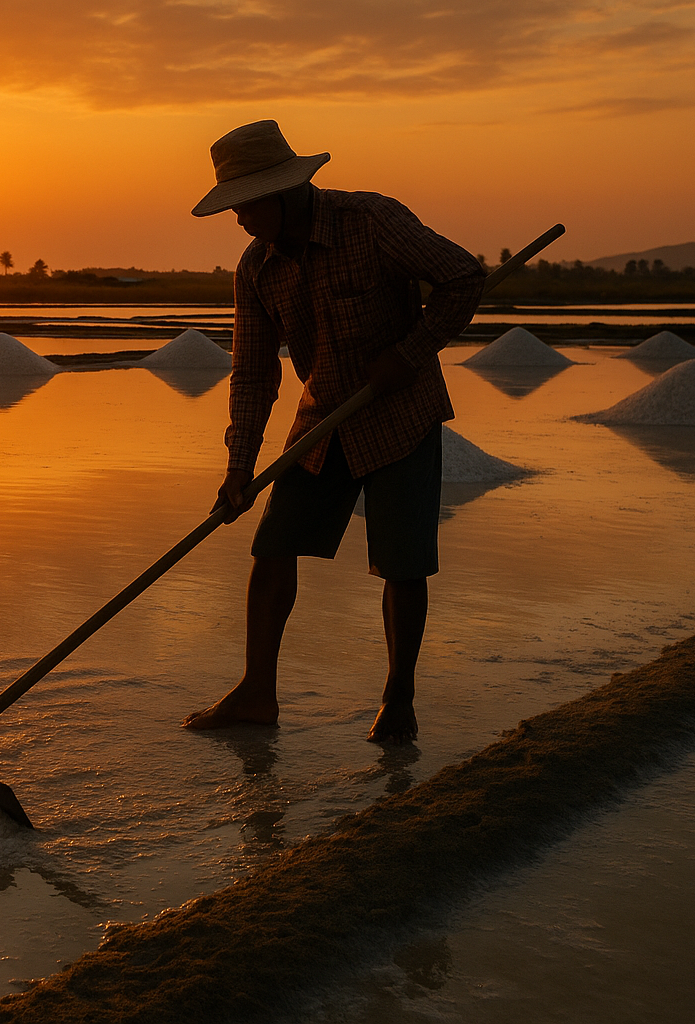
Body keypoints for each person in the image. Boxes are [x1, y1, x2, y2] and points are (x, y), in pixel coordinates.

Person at [182, 120, 484, 744]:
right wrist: (240, 469)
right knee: (272, 548)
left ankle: (398, 703)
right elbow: (253, 372)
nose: (238, 219)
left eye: (245, 205)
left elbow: (462, 276)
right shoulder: (257, 267)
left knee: (402, 564)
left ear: (283, 191)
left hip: (401, 415)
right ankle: (255, 694)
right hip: (324, 420)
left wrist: (412, 350)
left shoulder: (371, 221)